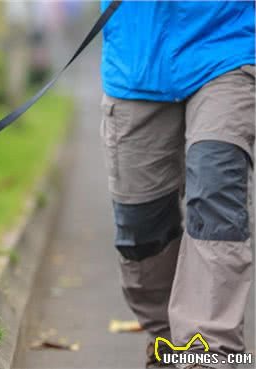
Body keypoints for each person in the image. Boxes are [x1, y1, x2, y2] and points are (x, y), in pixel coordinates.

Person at [99, 2, 255, 368]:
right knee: (140, 228)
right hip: (136, 60)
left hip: (225, 46)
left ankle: (208, 353)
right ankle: (167, 342)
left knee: (217, 197)